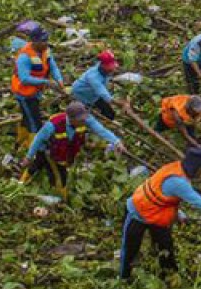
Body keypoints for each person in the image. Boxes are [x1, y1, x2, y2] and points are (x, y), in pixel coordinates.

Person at [120, 146, 201, 280]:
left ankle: (169, 276)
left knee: (166, 248)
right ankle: (124, 278)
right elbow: (197, 202)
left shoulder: (176, 168)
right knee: (130, 249)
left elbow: (168, 197)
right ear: (195, 168)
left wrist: (178, 214)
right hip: (137, 212)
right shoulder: (179, 182)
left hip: (157, 216)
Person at [20, 101, 125, 199]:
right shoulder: (53, 125)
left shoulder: (86, 119)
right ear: (71, 119)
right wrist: (28, 157)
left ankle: (21, 182)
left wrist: (116, 142)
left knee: (38, 163)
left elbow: (101, 130)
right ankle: (61, 198)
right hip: (49, 152)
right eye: (80, 120)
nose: (84, 121)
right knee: (60, 176)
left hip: (63, 150)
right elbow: (38, 139)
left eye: (84, 118)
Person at [10, 22, 66, 150]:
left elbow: (53, 66)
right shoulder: (24, 57)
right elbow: (24, 79)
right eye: (43, 41)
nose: (46, 43)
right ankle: (35, 149)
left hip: (35, 91)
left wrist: (59, 80)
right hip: (24, 93)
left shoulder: (45, 51)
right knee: (34, 122)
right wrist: (46, 82)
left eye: (46, 40)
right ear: (35, 42)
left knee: (27, 117)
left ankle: (21, 141)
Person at [72, 50, 126, 120]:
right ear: (103, 65)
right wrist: (120, 103)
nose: (112, 68)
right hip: (82, 92)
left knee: (109, 111)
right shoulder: (94, 78)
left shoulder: (102, 68)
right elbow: (104, 94)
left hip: (92, 90)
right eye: (110, 66)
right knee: (90, 110)